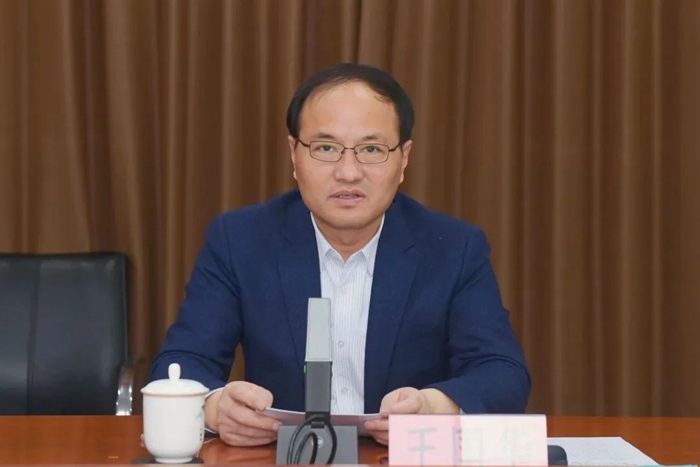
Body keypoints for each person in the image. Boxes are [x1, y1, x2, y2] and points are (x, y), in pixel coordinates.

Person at [149, 63, 530, 447]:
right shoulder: (240, 241)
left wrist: (433, 407)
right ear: (294, 154)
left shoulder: (453, 248)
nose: (348, 173)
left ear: (404, 159)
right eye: (326, 148)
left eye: (371, 149)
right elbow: (179, 365)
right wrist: (216, 406)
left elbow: (503, 373)